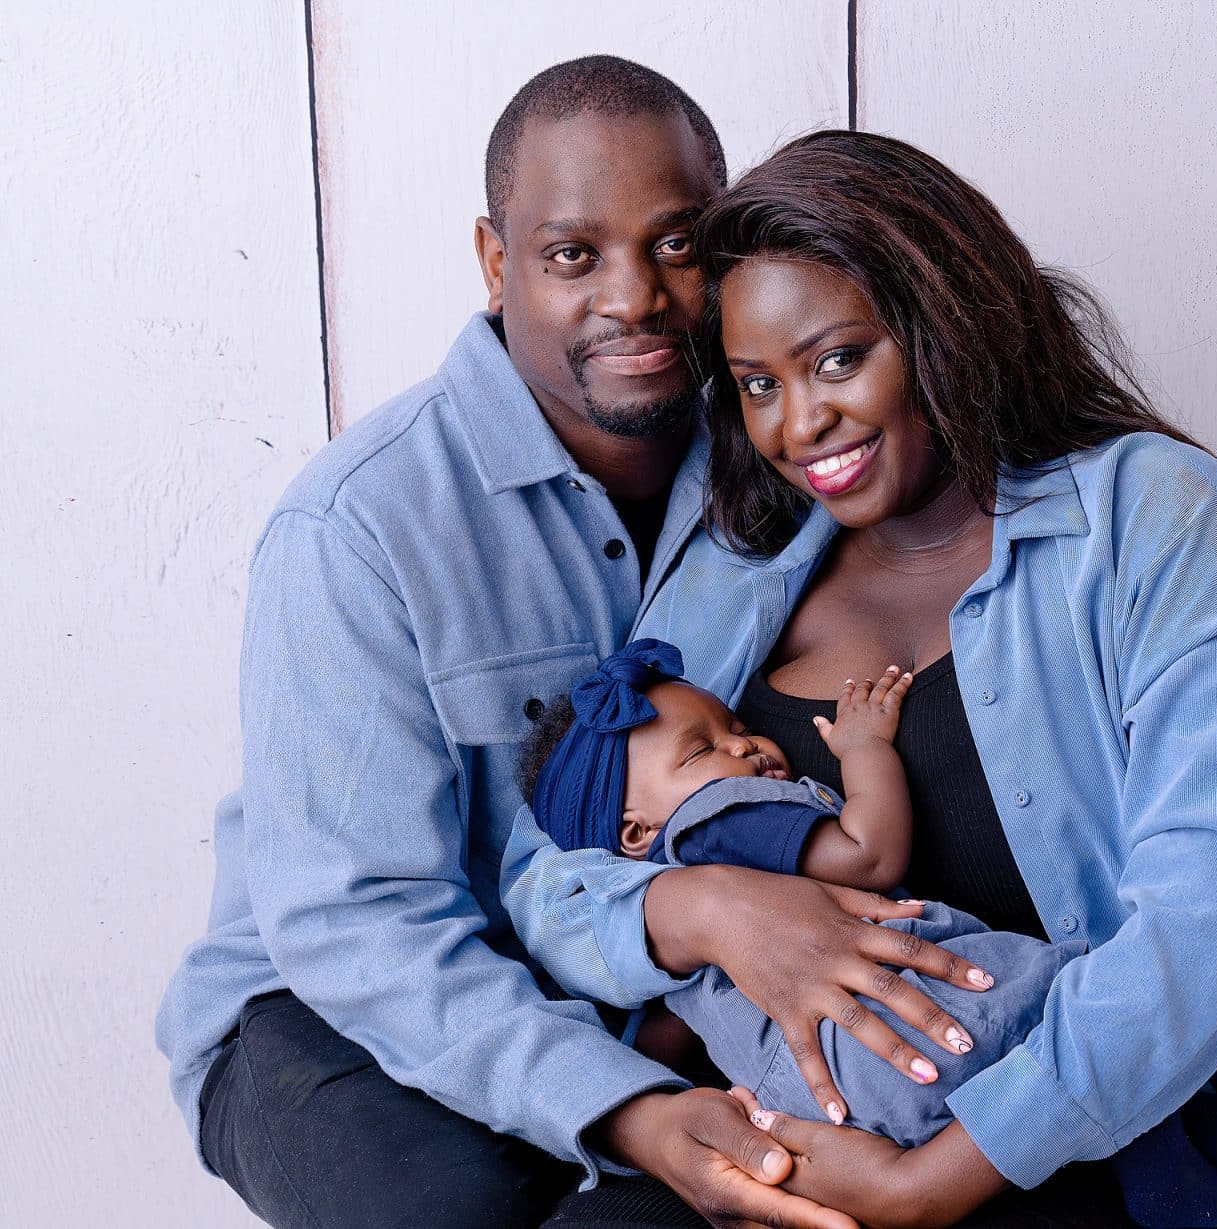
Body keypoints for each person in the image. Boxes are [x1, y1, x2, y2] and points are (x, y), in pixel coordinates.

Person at [155, 61, 991, 1229]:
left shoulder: (787, 453)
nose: (634, 296)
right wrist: (630, 1108)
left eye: (677, 244)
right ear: (497, 265)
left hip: (658, 991)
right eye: (571, 256)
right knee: (455, 1206)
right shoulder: (359, 526)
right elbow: (359, 924)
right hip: (337, 1008)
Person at [599, 130, 1217, 1226]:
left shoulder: (1151, 519)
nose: (800, 423)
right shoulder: (739, 563)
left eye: (837, 358)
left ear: (943, 323)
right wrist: (700, 905)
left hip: (1086, 1155)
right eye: (757, 384)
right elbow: (560, 852)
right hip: (808, 1150)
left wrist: (935, 1179)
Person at [525, 638, 1217, 1229]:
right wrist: (866, 750)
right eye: (703, 750)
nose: (742, 743)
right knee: (1066, 999)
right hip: (910, 1018)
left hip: (832, 1102)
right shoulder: (714, 823)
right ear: (635, 832)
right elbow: (869, 853)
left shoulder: (656, 927)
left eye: (731, 724)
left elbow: (660, 1031)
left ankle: (1164, 1168)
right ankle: (1181, 1149)